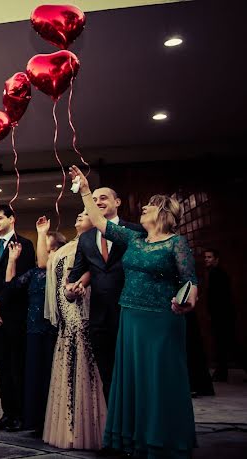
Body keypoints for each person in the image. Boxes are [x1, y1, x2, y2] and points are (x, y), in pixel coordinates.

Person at [70, 165, 199, 458]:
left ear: (163, 213)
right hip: (131, 317)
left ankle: (164, 439)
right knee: (132, 380)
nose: (143, 208)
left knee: (160, 379)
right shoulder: (133, 239)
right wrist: (87, 192)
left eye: (149, 207)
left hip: (162, 320)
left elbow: (190, 280)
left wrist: (188, 302)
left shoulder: (176, 243)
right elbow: (101, 223)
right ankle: (133, 439)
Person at [66, 186, 144, 401]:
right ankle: (114, 428)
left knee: (134, 375)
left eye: (103, 198)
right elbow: (76, 273)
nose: (98, 202)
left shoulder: (135, 231)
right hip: (99, 317)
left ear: (117, 202)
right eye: (94, 199)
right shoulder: (86, 238)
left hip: (130, 314)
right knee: (108, 378)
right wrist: (70, 290)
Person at [0, 220, 63, 436]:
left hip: (52, 329)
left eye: (47, 249)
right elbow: (10, 285)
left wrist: (41, 233)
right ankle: (36, 420)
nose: (43, 253)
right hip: (32, 329)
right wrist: (12, 260)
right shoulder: (33, 274)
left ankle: (52, 421)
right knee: (34, 375)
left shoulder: (59, 271)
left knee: (50, 374)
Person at [42, 210, 107, 450]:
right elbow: (44, 265)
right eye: (78, 213)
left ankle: (92, 428)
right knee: (68, 365)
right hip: (66, 316)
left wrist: (77, 287)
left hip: (86, 309)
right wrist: (41, 234)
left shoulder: (96, 244)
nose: (79, 215)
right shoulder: (66, 248)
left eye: (86, 213)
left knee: (87, 364)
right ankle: (70, 428)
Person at [0, 204, 35, 432]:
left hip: (15, 313)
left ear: (12, 219)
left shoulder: (25, 245)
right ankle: (7, 413)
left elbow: (21, 281)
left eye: (0, 218)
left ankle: (21, 415)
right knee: (1, 367)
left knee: (17, 366)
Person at [204, 249, 242, 382]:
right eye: (206, 257)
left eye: (209, 257)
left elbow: (220, 298)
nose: (206, 259)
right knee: (224, 344)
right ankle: (221, 372)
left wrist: (215, 314)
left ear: (216, 259)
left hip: (222, 316)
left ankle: (221, 373)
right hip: (222, 316)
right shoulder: (215, 273)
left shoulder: (218, 274)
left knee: (229, 344)